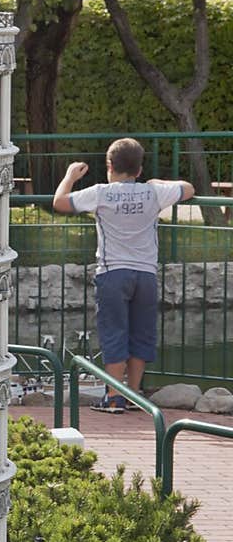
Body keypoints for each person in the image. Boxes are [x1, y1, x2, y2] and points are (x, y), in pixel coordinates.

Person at [53, 137, 194, 413]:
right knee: (141, 333)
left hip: (112, 273)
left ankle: (114, 396)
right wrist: (157, 183)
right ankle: (134, 393)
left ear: (109, 165)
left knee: (114, 333)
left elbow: (59, 202)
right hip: (146, 274)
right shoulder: (152, 193)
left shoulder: (100, 193)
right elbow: (189, 189)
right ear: (139, 169)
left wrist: (70, 176)